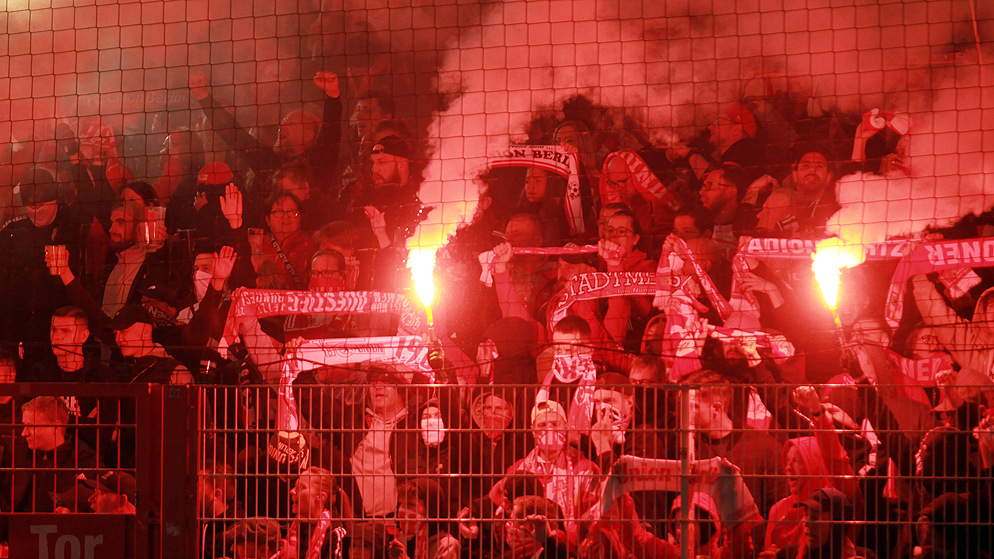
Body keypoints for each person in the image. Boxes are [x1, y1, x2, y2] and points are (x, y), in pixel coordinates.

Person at [0, 168, 72, 360]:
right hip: (17, 321)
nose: (37, 209)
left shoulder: (71, 226)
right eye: (31, 205)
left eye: (41, 204)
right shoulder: (12, 231)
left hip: (59, 320)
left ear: (54, 199)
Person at [1, 397, 101, 514]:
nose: (24, 433)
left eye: (31, 426)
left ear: (55, 426)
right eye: (24, 425)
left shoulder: (87, 462)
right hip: (17, 525)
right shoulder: (16, 458)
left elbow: (95, 509)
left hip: (61, 526)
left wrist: (73, 515)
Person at [110, 304, 193, 385]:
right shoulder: (118, 372)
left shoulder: (175, 373)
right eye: (115, 333)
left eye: (124, 331)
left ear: (145, 331)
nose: (118, 339)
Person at [287, 466, 350, 559]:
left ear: (321, 496)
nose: (292, 491)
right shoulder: (294, 526)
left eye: (301, 487)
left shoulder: (335, 534)